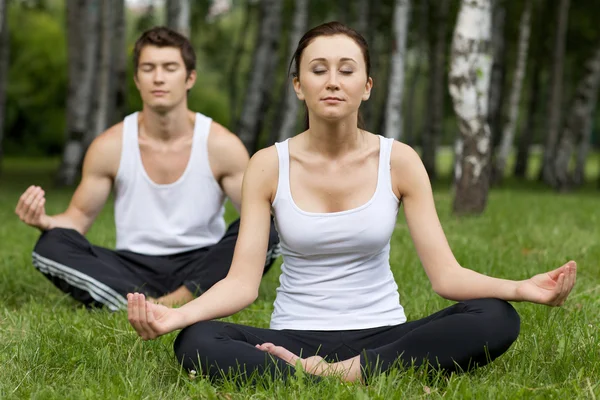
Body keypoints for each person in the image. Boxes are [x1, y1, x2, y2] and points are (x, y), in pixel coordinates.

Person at [127, 22, 577, 383]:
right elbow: (243, 284)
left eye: (347, 69)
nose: (333, 81)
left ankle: (334, 375)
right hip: (293, 334)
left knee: (497, 317)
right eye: (318, 69)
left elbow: (447, 276)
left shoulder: (398, 161)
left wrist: (521, 288)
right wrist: (177, 316)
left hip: (383, 335)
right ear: (299, 85)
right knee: (197, 342)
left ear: (367, 86)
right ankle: (335, 372)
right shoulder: (268, 165)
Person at [14, 26, 280, 310]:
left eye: (170, 67)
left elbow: (256, 221)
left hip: (202, 262)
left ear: (190, 78)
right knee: (50, 245)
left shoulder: (222, 146)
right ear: (137, 79)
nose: (158, 78)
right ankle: (146, 301)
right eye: (148, 68)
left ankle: (169, 300)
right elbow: (77, 219)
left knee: (267, 228)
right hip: (132, 266)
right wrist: (44, 221)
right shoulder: (110, 145)